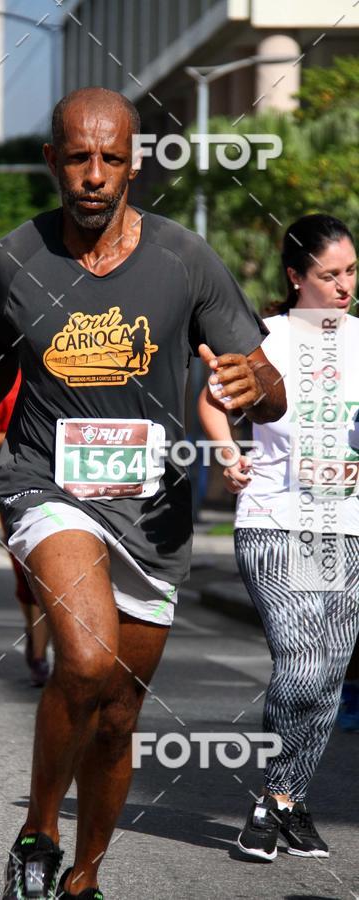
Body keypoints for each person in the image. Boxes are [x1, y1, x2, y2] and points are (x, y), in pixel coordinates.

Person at [0, 87, 286, 899]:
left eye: (110, 158)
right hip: (45, 483)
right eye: (77, 157)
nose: (94, 175)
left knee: (119, 716)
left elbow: (269, 391)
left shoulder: (185, 259)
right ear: (52, 162)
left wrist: (256, 384)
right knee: (87, 658)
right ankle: (37, 834)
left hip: (154, 507)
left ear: (134, 162)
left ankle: (86, 877)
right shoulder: (14, 259)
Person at [198, 214, 359, 862]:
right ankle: (275, 803)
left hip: (339, 525)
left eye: (351, 271)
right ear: (296, 277)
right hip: (273, 514)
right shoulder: (265, 339)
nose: (345, 286)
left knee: (329, 672)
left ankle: (283, 801)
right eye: (329, 275)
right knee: (299, 662)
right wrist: (225, 452)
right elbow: (214, 398)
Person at [0, 373, 51, 687]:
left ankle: (40, 655)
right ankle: (35, 634)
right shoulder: (7, 378)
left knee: (52, 572)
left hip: (70, 480)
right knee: (26, 571)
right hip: (18, 483)